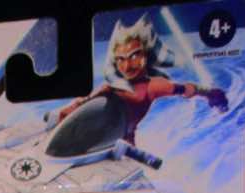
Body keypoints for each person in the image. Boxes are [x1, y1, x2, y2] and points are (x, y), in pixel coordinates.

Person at [58, 14, 228, 144]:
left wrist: (210, 93)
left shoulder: (154, 86)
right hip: (104, 136)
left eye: (134, 56)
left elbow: (187, 89)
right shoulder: (110, 87)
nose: (127, 66)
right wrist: (73, 108)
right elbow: (86, 102)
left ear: (145, 55)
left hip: (123, 143)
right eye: (121, 59)